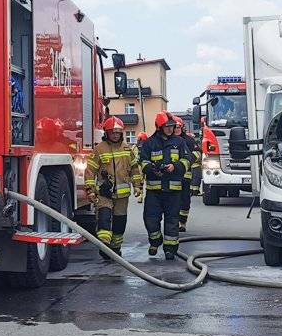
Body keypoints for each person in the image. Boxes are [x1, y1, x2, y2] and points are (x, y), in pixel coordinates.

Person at [85, 117, 143, 259]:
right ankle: (104, 247)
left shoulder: (127, 148)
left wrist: (138, 187)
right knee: (104, 220)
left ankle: (115, 247)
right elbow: (90, 171)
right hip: (104, 194)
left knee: (119, 223)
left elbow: (135, 169)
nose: (115, 135)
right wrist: (90, 190)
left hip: (122, 196)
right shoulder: (99, 149)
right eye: (113, 132)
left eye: (118, 132)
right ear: (107, 133)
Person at [139, 111, 190, 260]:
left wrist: (176, 167)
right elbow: (142, 161)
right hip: (154, 190)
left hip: (173, 190)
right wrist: (152, 169)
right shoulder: (149, 143)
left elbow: (187, 159)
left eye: (172, 126)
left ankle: (170, 249)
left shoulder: (180, 142)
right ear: (159, 127)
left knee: (172, 220)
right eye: (167, 126)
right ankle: (155, 241)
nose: (170, 129)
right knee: (150, 219)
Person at [173, 116, 201, 231]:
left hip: (185, 176)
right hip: (172, 175)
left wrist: (187, 160)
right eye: (174, 127)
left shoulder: (189, 141)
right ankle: (174, 222)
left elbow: (198, 154)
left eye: (178, 127)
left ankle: (182, 222)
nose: (176, 129)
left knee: (185, 200)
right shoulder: (167, 140)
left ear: (182, 127)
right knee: (173, 200)